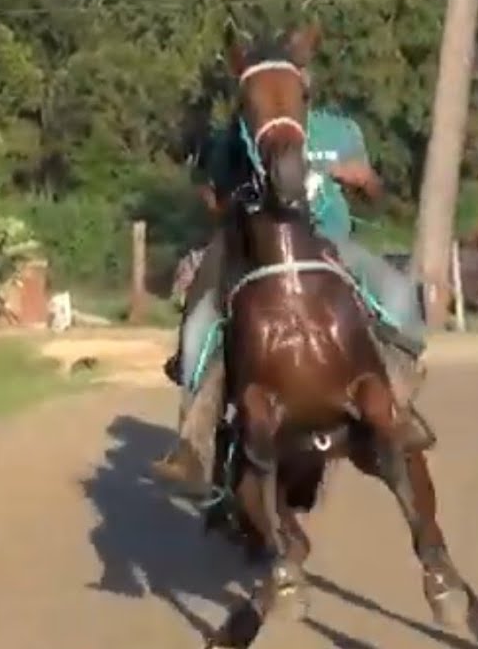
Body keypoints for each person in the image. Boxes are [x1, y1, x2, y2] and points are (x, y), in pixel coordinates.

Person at [153, 95, 427, 494]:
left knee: (399, 294)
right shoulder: (236, 136)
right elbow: (211, 200)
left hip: (329, 245)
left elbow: (375, 192)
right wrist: (240, 198)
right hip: (255, 253)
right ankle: (194, 443)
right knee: (199, 322)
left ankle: (399, 406)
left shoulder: (341, 130)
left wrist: (363, 179)